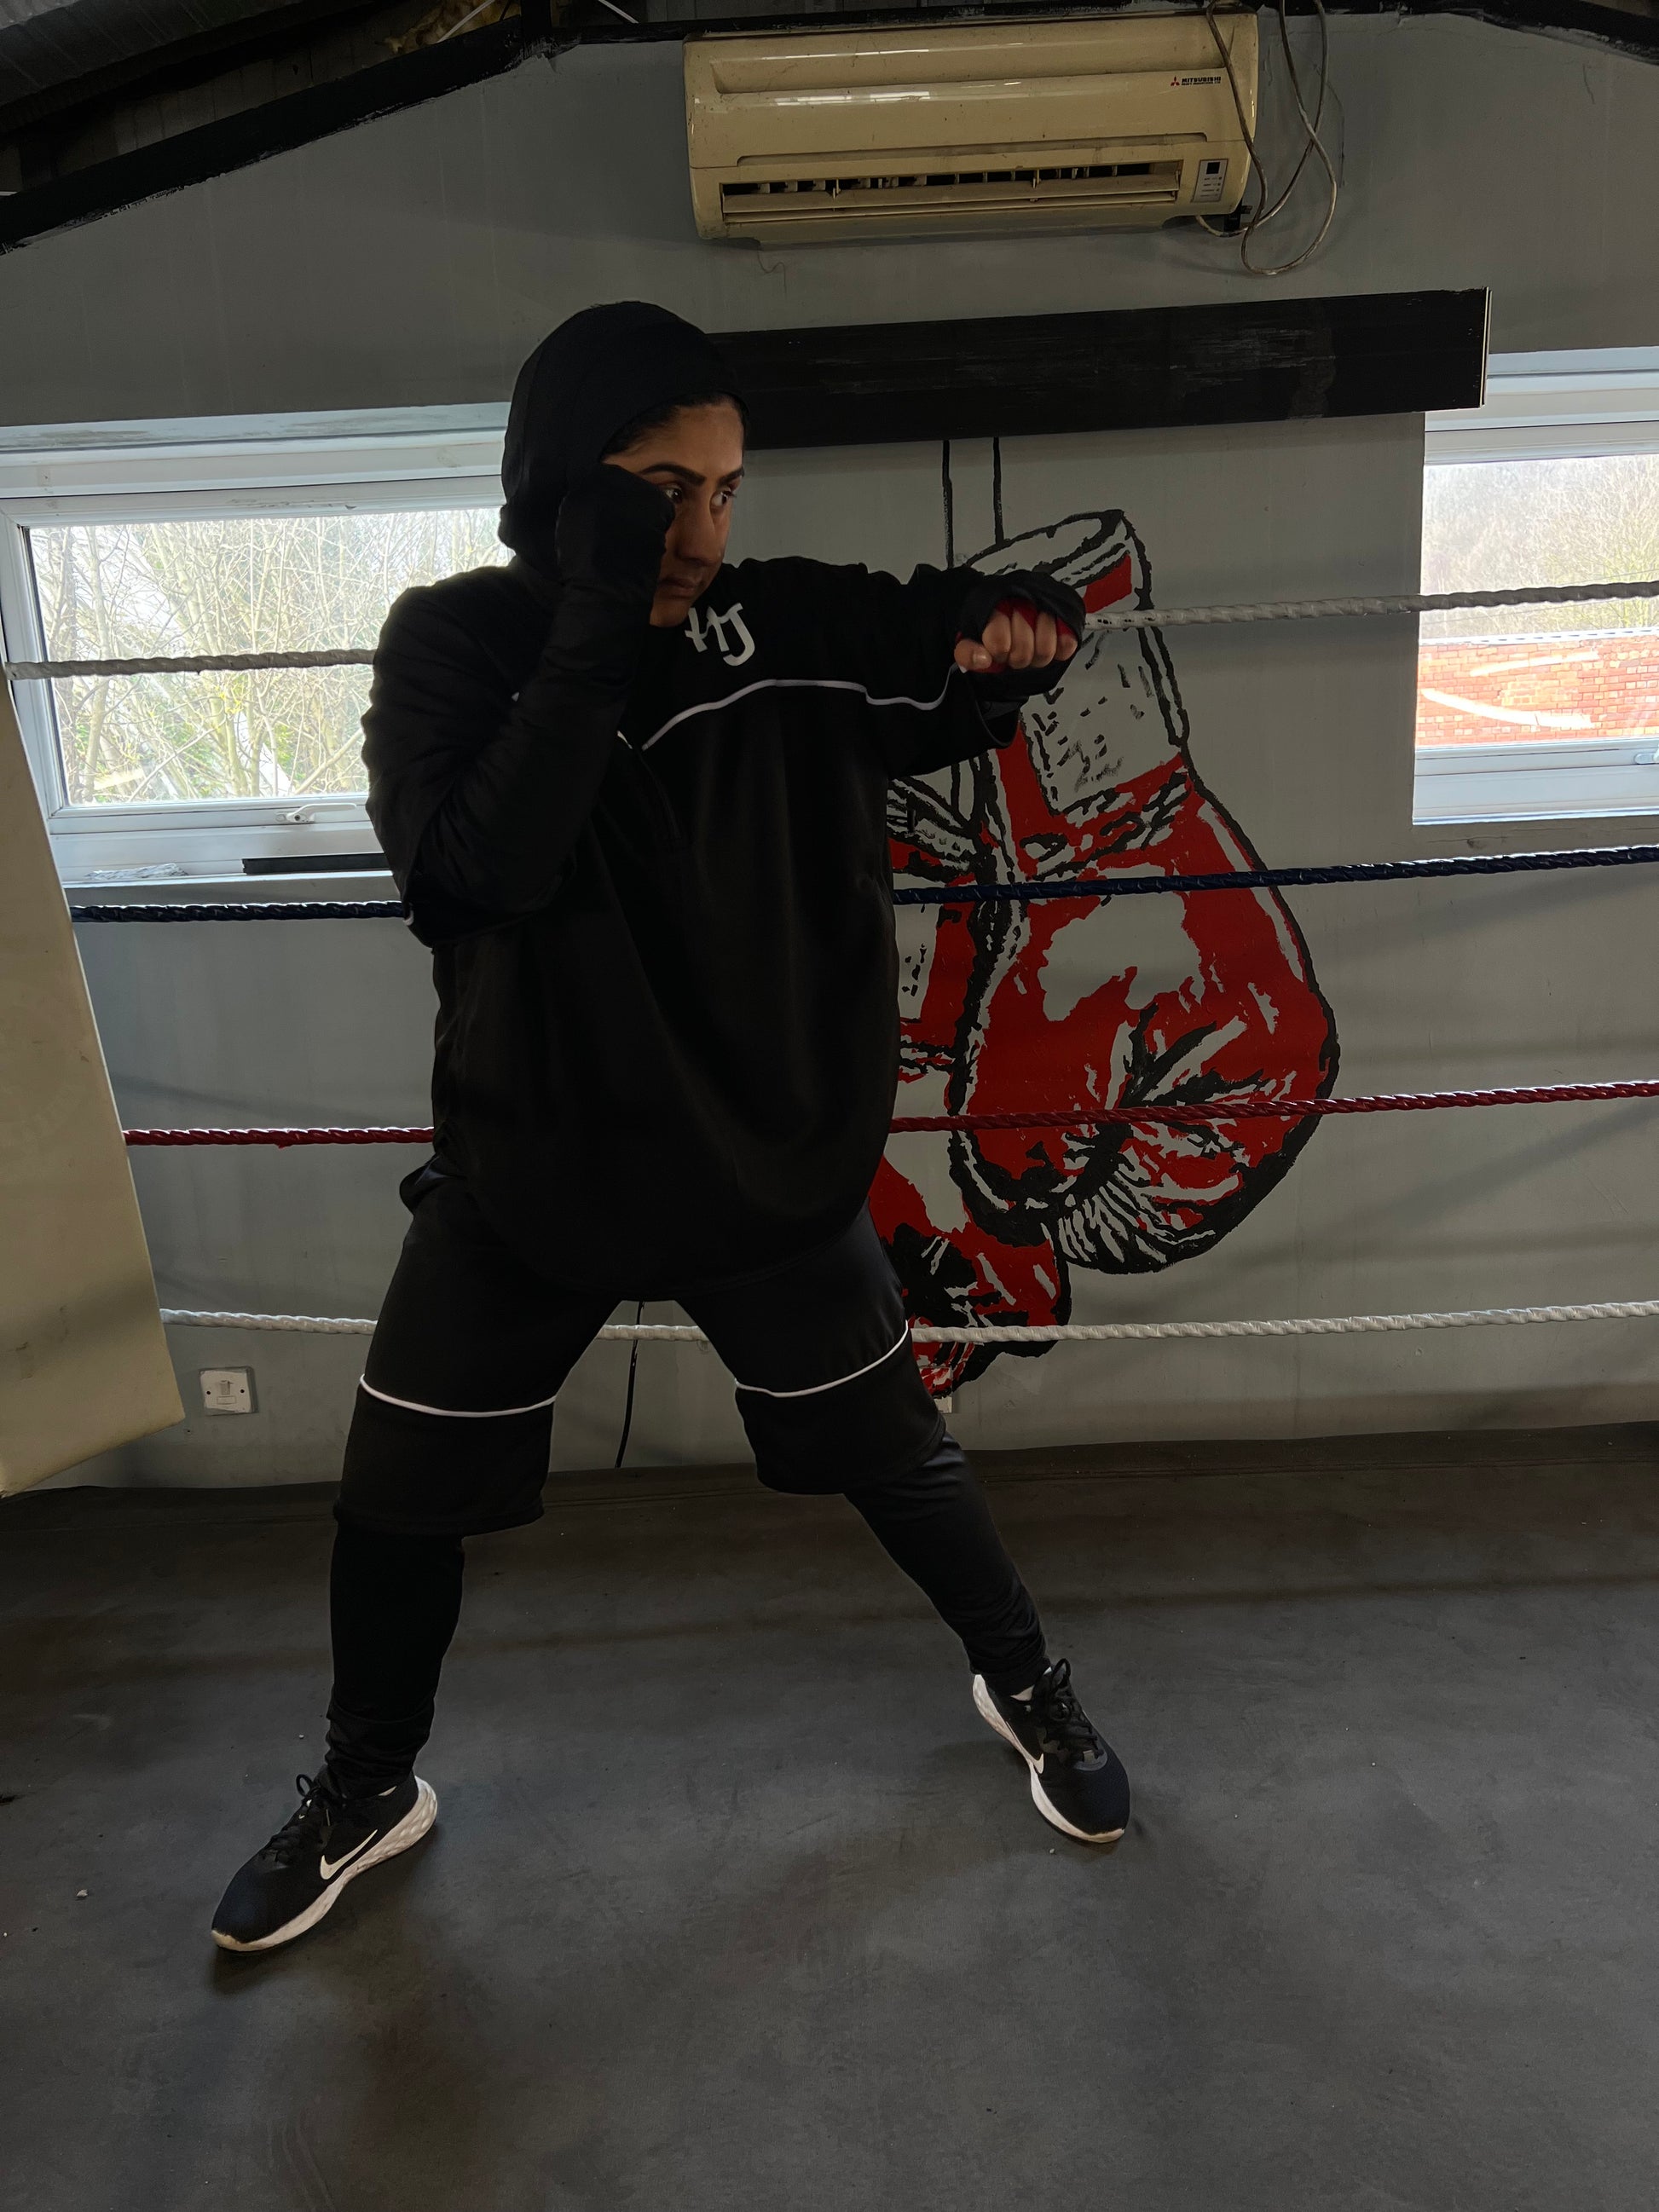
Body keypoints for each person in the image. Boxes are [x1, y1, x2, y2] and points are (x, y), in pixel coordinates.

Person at [211, 302, 1131, 1954]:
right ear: (561, 484)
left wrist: (1020, 632)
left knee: (899, 1455)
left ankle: (1027, 1685)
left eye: (722, 490)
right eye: (659, 490)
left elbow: (941, 634)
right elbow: (474, 872)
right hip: (532, 1158)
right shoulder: (452, 645)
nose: (700, 533)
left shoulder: (779, 622)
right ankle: (366, 1784)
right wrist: (592, 618)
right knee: (396, 1494)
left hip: (758, 1158)